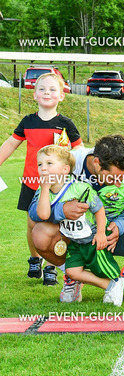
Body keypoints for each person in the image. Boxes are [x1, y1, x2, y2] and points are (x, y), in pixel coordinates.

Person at [30, 134, 124, 303]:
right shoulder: (65, 163)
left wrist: (120, 224)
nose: (118, 184)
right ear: (96, 163)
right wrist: (61, 210)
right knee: (40, 233)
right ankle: (73, 276)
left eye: (123, 178)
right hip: (74, 237)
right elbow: (34, 211)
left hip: (111, 237)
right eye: (113, 178)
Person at [0, 72, 83, 285]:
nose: (47, 92)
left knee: (54, 226)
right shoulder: (28, 122)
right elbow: (10, 144)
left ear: (61, 96)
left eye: (53, 89)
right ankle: (35, 259)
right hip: (31, 184)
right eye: (42, 89)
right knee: (32, 224)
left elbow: (79, 150)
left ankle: (51, 266)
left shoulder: (66, 123)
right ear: (35, 94)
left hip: (57, 187)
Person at [29, 145, 124, 306]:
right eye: (40, 164)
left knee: (104, 269)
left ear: (65, 169)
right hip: (75, 242)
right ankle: (110, 285)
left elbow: (99, 209)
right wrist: (45, 188)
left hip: (92, 238)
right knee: (72, 271)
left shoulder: (79, 188)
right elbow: (43, 215)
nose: (43, 168)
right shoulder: (44, 190)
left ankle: (117, 281)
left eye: (49, 163)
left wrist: (101, 233)